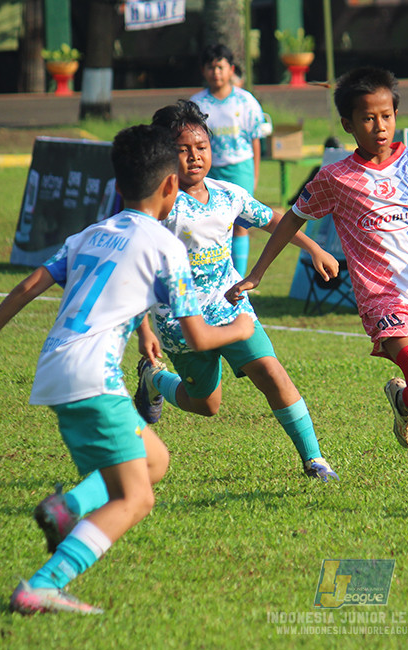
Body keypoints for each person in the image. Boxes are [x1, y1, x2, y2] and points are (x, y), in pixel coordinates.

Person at [0, 125, 254, 615]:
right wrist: (241, 328)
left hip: (58, 368)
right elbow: (199, 336)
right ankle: (43, 585)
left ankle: (67, 508)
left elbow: (32, 282)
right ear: (171, 186)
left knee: (155, 459)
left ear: (118, 187)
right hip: (94, 378)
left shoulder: (92, 233)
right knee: (136, 500)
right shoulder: (166, 245)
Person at [226, 67, 408, 506]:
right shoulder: (336, 178)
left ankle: (404, 402)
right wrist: (257, 272)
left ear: (396, 115)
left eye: (386, 116)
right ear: (348, 124)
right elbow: (294, 216)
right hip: (382, 300)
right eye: (368, 118)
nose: (380, 126)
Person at [133, 99, 340, 482]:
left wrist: (314, 248)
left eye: (202, 148)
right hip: (182, 322)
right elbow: (137, 270)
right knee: (206, 405)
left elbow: (274, 219)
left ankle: (315, 461)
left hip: (231, 309)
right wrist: (143, 328)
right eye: (183, 150)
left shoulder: (228, 194)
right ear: (164, 154)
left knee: (273, 373)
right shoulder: (159, 208)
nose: (195, 157)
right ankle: (154, 377)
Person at [190, 44, 266, 276]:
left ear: (231, 69)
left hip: (239, 167)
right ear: (204, 71)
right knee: (210, 223)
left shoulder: (246, 101)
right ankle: (214, 274)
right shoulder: (197, 104)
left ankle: (238, 280)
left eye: (221, 67)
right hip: (208, 170)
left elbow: (255, 140)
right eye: (211, 68)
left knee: (241, 224)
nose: (216, 73)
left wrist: (253, 175)